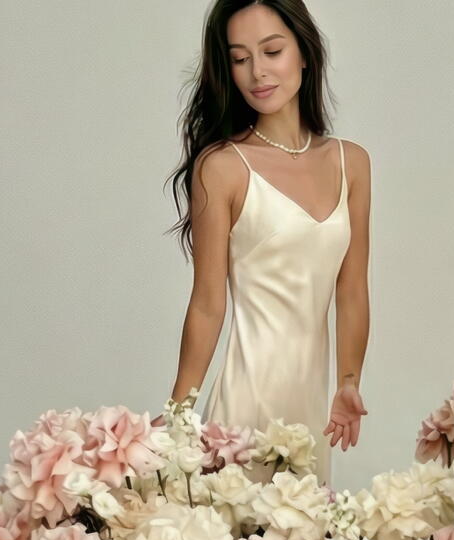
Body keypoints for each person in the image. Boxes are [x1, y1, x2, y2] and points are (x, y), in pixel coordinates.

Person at [156, 0, 370, 488]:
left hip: (311, 412)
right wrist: (179, 415)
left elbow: (352, 289)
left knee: (302, 528)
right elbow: (207, 304)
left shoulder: (351, 163)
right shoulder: (222, 167)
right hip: (243, 407)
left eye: (272, 51)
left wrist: (349, 381)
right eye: (240, 58)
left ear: (304, 53)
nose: (257, 72)